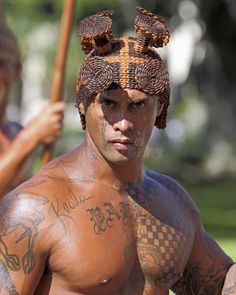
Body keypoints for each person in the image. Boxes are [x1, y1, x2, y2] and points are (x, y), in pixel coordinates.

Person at [0, 7, 235, 295]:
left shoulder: (173, 203)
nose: (123, 123)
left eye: (138, 106)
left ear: (159, 108)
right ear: (84, 106)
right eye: (109, 104)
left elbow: (221, 284)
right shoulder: (34, 208)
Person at [0, 16, 65, 196]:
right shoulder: (26, 138)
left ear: (17, 69)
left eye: (0, 63)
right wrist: (32, 136)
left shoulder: (16, 132)